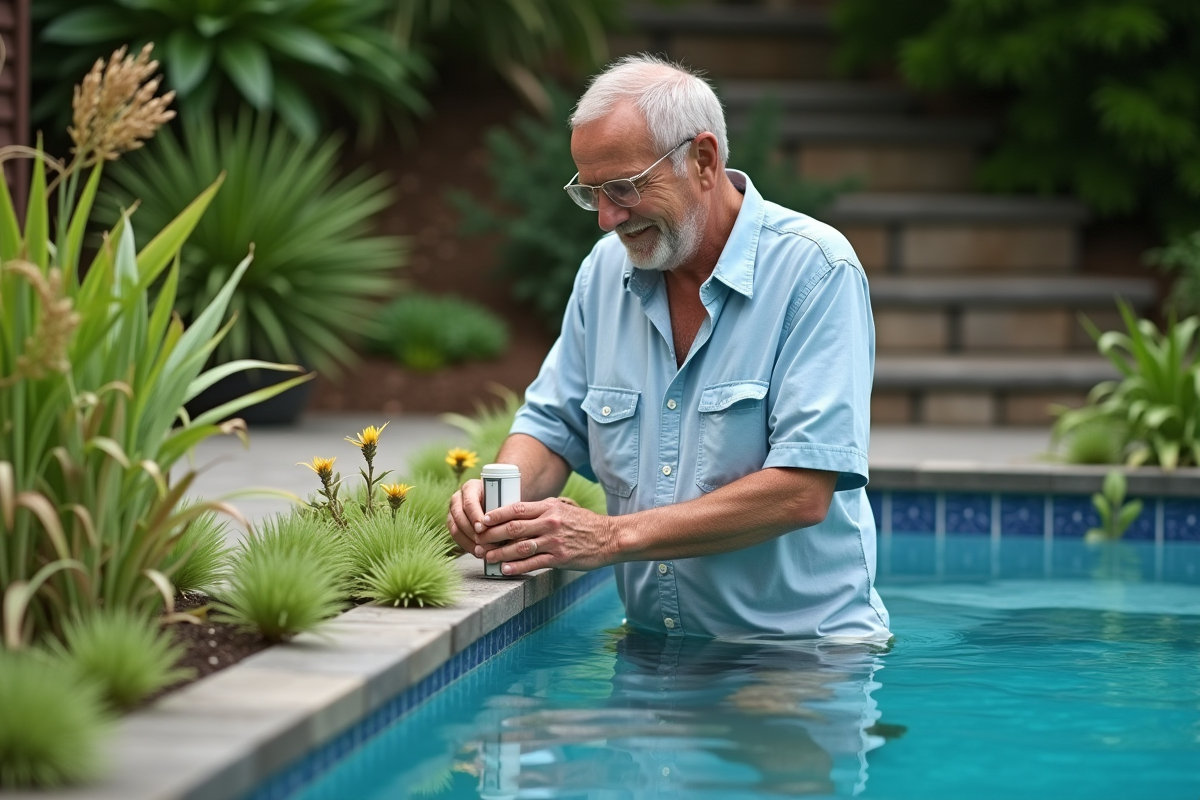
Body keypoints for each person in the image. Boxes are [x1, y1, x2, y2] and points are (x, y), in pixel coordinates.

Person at [448, 53, 890, 641]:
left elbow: (803, 490)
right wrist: (500, 500)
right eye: (591, 193)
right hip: (654, 653)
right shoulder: (604, 272)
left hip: (798, 657)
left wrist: (610, 537)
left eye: (625, 187)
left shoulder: (816, 271)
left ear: (703, 161)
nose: (607, 218)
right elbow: (553, 427)